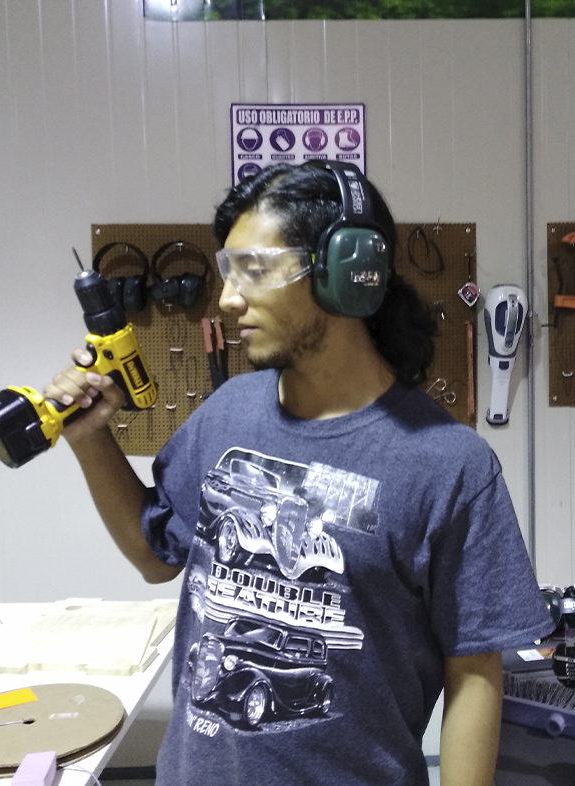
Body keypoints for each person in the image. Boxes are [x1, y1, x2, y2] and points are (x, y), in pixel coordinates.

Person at [44, 162, 553, 786]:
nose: (228, 298)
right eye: (228, 271)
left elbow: (473, 675)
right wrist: (90, 439)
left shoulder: (449, 464)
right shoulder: (226, 413)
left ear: (344, 272)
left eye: (253, 270)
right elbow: (155, 556)